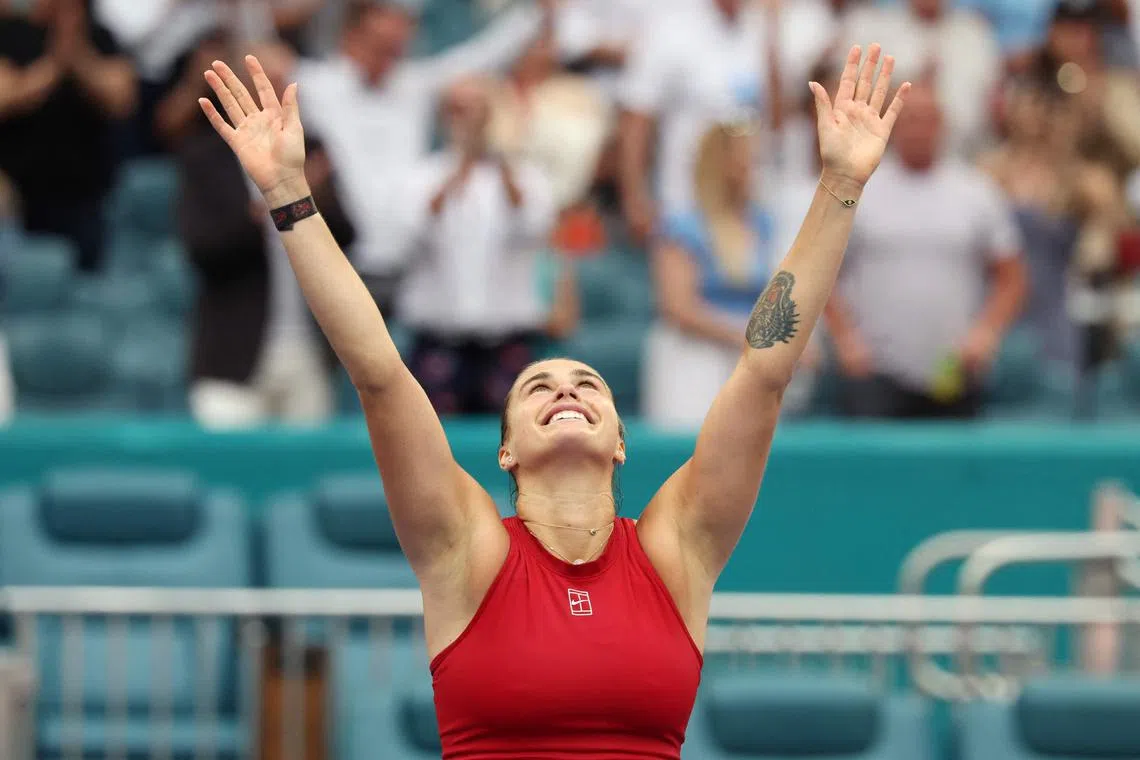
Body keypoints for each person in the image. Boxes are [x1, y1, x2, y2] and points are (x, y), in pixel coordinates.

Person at [198, 43, 909, 757]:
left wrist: (841, 182)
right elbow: (379, 372)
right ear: (506, 448)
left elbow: (763, 372)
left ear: (620, 440)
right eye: (537, 386)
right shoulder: (464, 547)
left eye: (588, 385)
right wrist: (289, 194)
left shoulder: (677, 548)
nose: (566, 388)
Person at [644, 121, 817, 429]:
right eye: (747, 161)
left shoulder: (764, 224)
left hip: (750, 354)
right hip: (696, 352)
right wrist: (749, 340)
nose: (755, 171)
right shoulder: (683, 226)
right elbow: (679, 309)